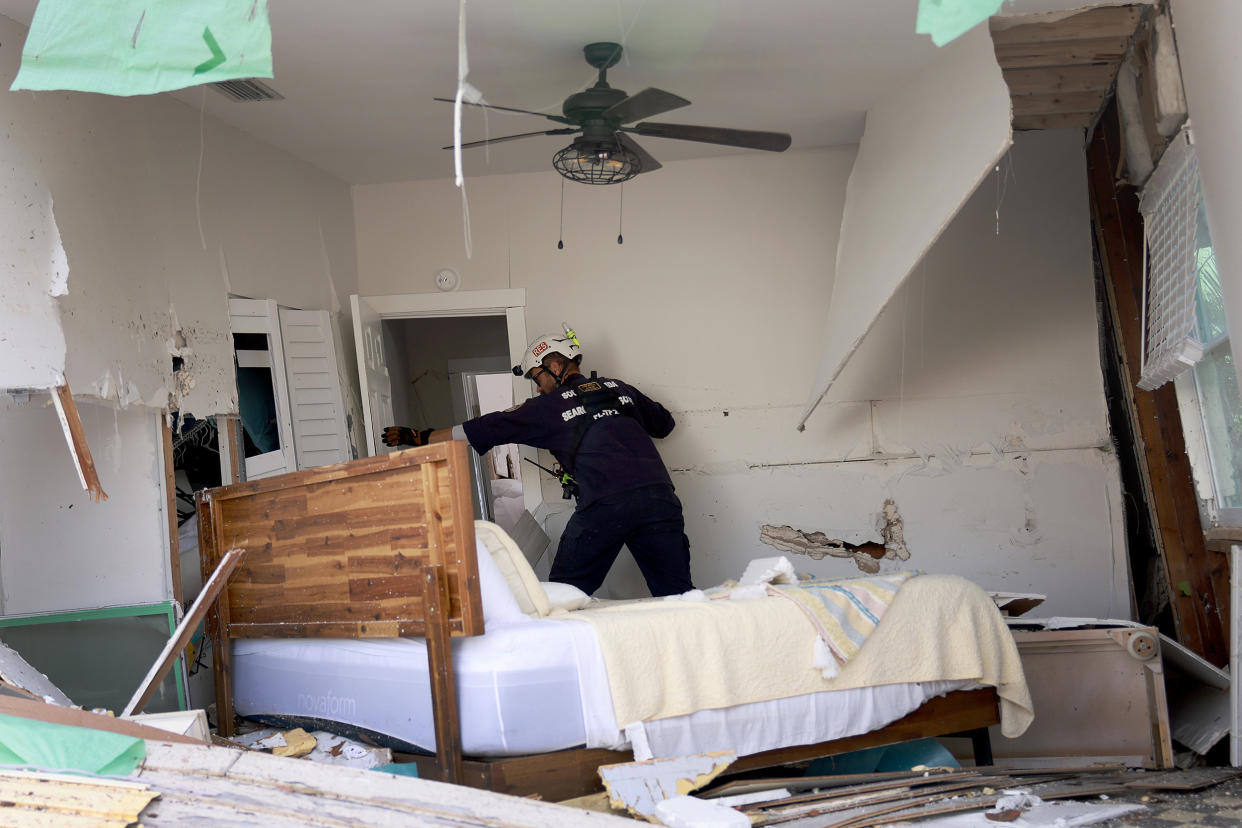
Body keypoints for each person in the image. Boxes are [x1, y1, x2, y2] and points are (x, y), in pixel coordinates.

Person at [382, 328, 693, 598]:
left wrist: (421, 436)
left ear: (555, 365)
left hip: (605, 506)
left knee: (562, 596)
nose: (537, 386)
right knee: (679, 595)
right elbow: (664, 424)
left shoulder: (547, 407)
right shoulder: (620, 388)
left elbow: (486, 427)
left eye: (536, 377)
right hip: (659, 499)